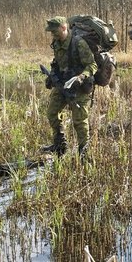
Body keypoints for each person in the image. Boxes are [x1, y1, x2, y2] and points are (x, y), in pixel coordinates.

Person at [42, 16, 98, 158]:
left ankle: (84, 151)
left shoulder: (78, 43)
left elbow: (92, 65)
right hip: (63, 85)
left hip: (79, 87)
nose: (52, 34)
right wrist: (51, 77)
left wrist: (81, 77)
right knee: (52, 113)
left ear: (63, 28)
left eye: (54, 31)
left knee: (79, 121)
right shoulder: (56, 42)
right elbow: (58, 63)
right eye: (51, 32)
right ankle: (60, 144)